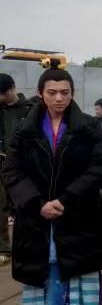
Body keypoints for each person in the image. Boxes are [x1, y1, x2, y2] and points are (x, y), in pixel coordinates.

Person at [3, 60, 102, 305]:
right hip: (37, 220)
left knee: (83, 277)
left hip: (78, 215)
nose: (59, 98)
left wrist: (66, 199)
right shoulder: (25, 129)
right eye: (53, 92)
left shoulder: (89, 126)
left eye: (65, 92)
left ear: (72, 93)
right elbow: (11, 171)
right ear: (40, 93)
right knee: (44, 280)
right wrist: (36, 203)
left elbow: (98, 168)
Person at [0, 74, 33, 266]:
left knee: (23, 203)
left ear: (13, 88)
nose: (2, 98)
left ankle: (28, 245)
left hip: (23, 164)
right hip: (2, 162)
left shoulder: (30, 109)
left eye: (4, 93)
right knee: (1, 204)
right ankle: (4, 247)